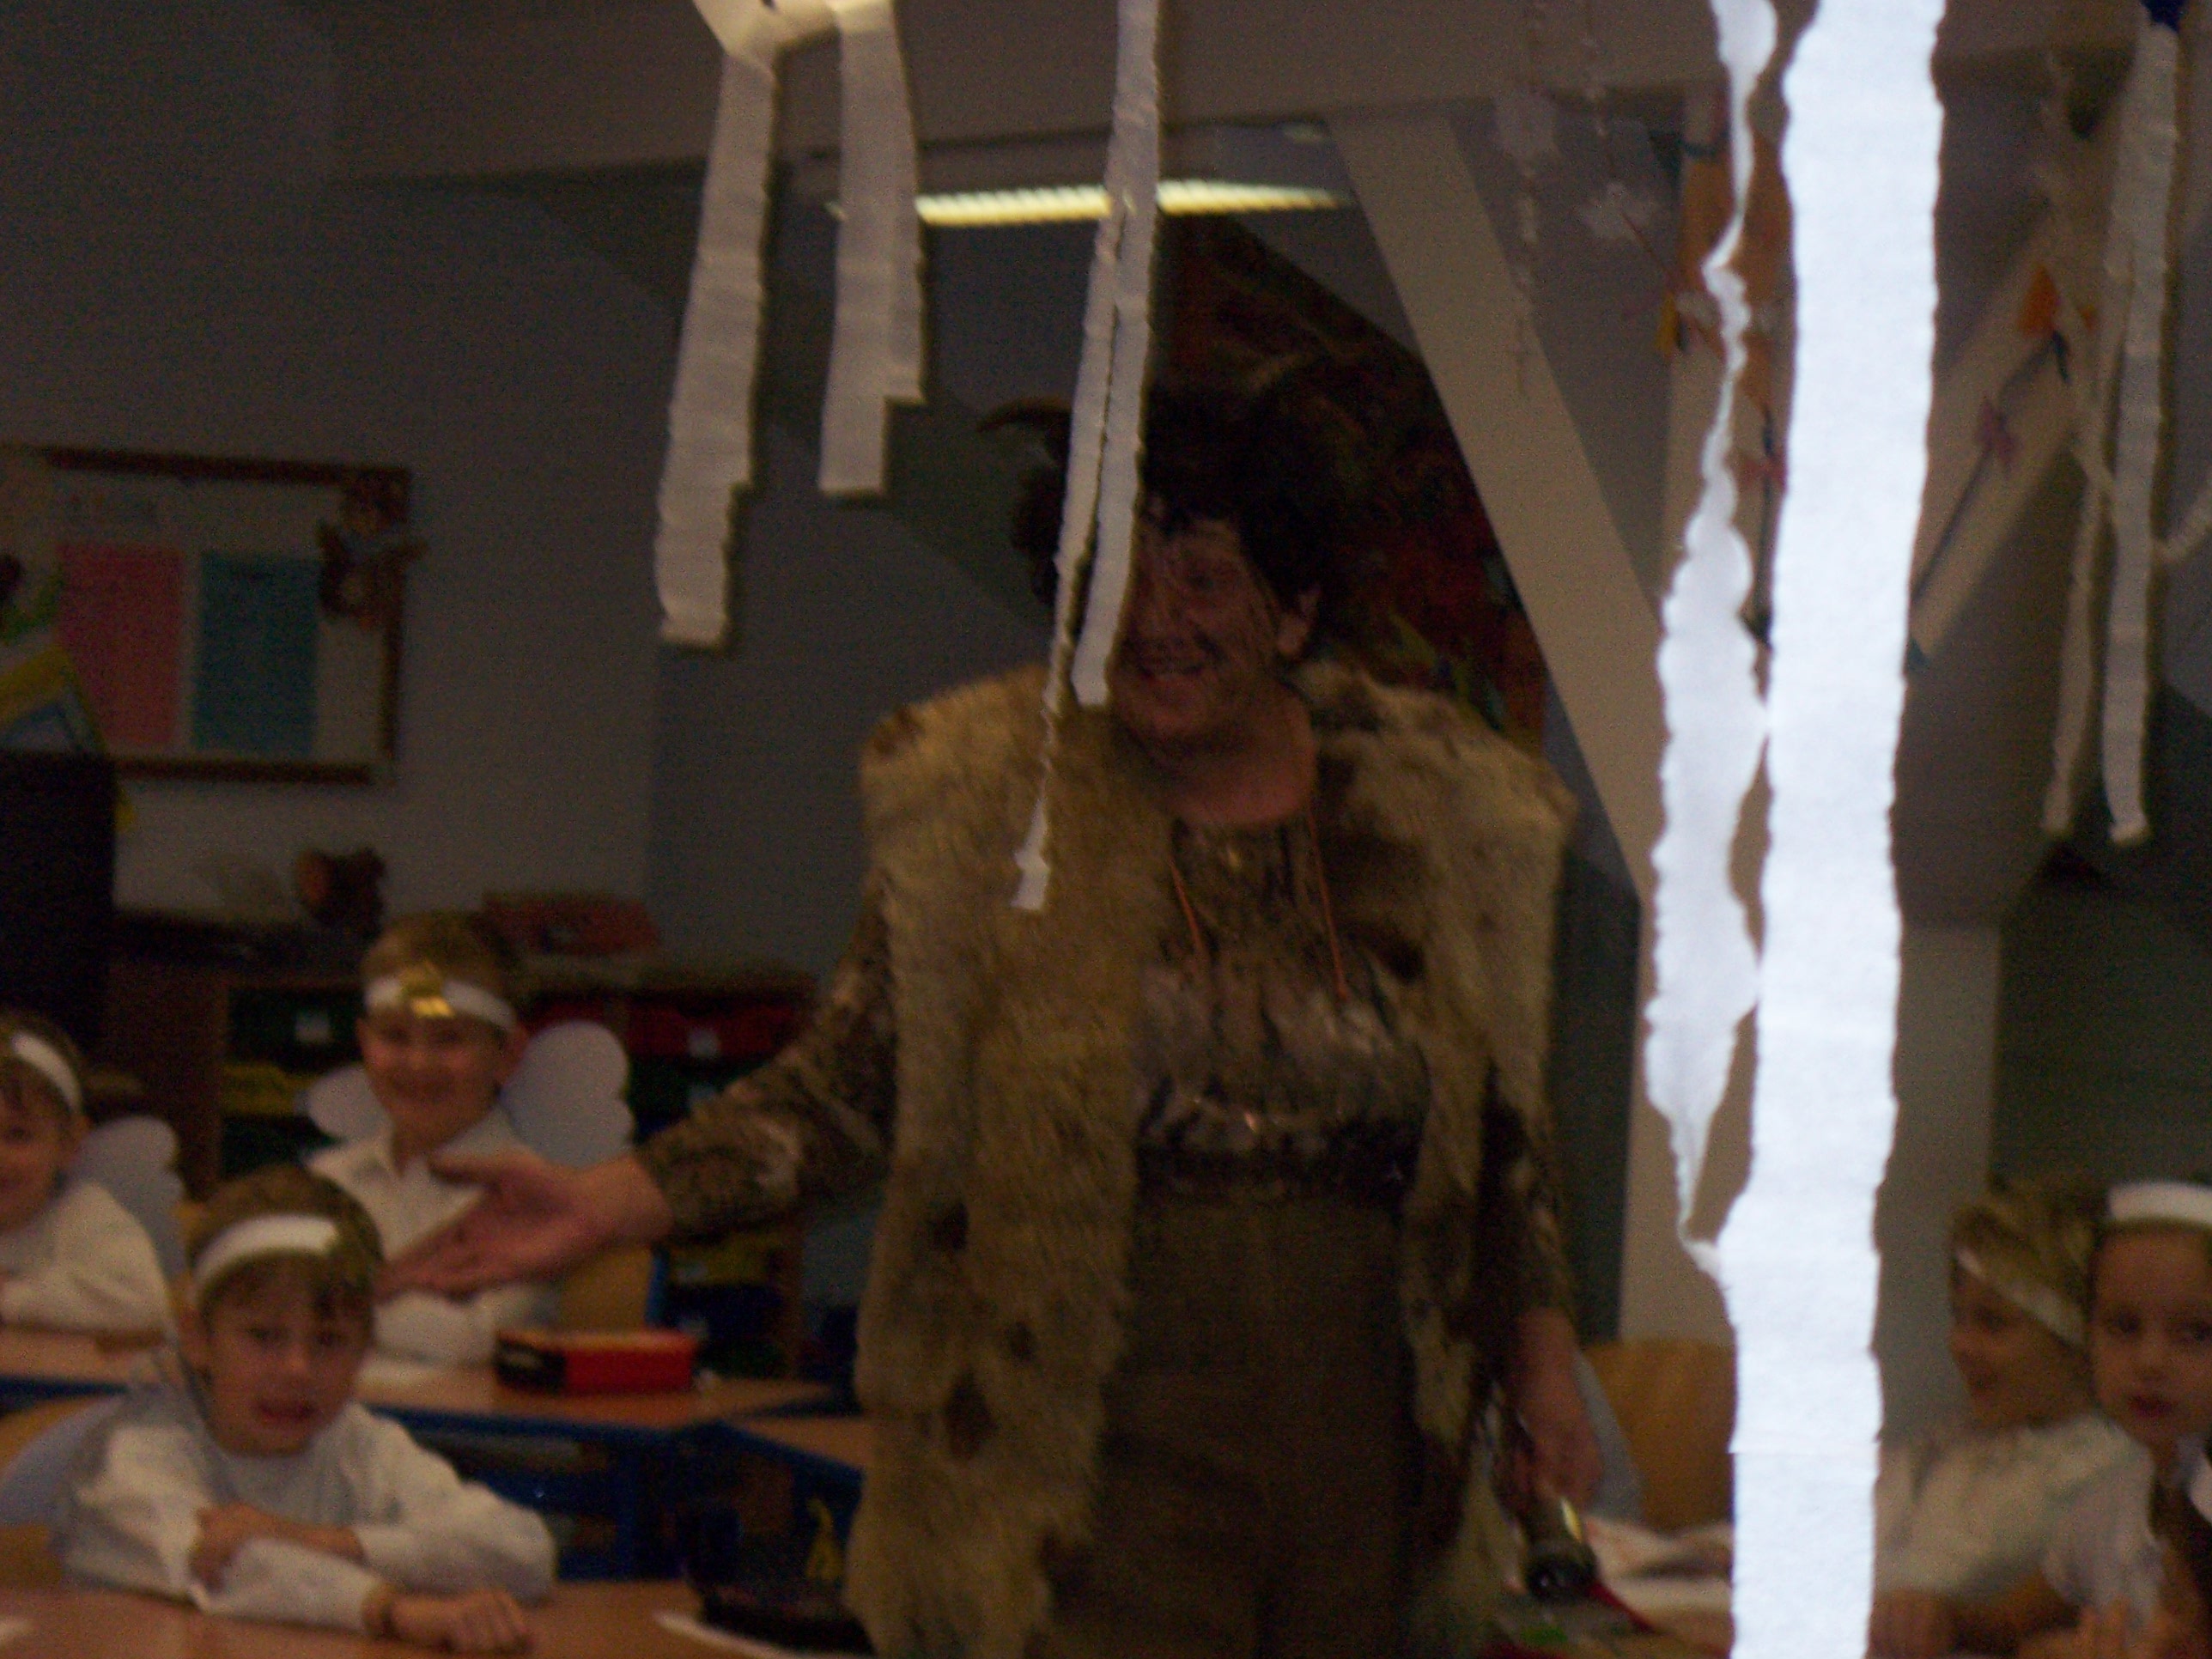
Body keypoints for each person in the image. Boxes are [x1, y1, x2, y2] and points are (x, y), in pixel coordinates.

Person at [386, 378, 1601, 1659]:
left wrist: (1542, 1363)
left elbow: (1506, 1130)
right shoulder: (988, 809)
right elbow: (844, 1085)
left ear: (1294, 612)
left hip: (1366, 1458)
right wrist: (610, 1202)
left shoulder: (1436, 817)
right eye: (1113, 576)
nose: (1152, 619)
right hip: (1078, 1466)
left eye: (1202, 580)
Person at [55, 1164, 555, 1650]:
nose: (297, 1369)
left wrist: (324, 1541)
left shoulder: (361, 1447)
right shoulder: (135, 1456)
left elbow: (523, 1549)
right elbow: (230, 1570)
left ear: (365, 1349)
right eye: (264, 1336)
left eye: (329, 1340)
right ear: (198, 1339)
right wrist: (393, 1610)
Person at [1875, 1179, 2212, 1657]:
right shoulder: (2109, 1504)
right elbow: (2008, 1624)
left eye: (2196, 1333)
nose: (2150, 1361)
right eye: (2123, 1326)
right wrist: (1942, 1618)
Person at [309, 915, 557, 1365]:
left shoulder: (530, 1196)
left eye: (449, 1039)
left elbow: (475, 1339)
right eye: (395, 1036)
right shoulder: (326, 1182)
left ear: (508, 1054)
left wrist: (333, 1306)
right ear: (364, 1043)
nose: (419, 1063)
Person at [0, 1010, 169, 1334]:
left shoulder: (85, 1218)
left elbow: (144, 1302)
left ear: (69, 1142)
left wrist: (12, 1297)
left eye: (18, 1135)